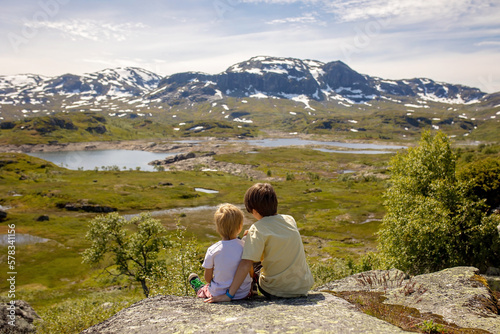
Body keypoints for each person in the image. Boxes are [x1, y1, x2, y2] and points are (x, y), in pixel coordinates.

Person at [206, 183, 314, 302]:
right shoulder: (289, 219)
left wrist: (229, 296)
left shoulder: (257, 229)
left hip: (275, 290)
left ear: (254, 210)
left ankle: (251, 290)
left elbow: (246, 264)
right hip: (302, 287)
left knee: (250, 257)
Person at [188, 203, 252, 300]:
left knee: (206, 288)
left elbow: (208, 278)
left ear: (218, 228)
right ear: (240, 227)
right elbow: (250, 271)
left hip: (218, 293)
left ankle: (199, 288)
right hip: (243, 293)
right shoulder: (245, 246)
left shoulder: (212, 250)